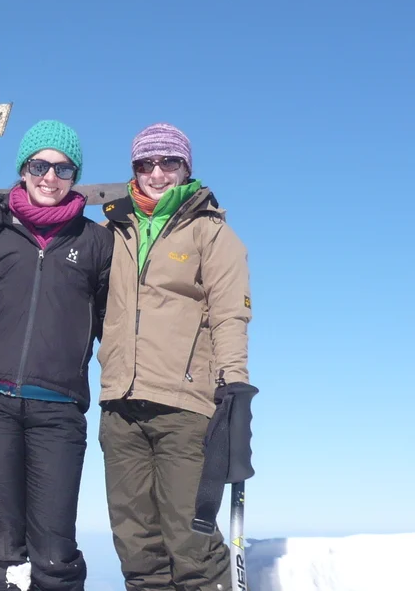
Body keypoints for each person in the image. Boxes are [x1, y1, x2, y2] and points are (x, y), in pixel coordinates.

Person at [0, 119, 112, 591]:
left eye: (62, 169)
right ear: (23, 170)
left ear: (75, 176)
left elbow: (109, 319)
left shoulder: (95, 242)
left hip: (59, 410)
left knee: (54, 550)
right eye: (39, 165)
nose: (49, 177)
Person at [97, 123, 251, 591]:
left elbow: (230, 314)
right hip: (120, 406)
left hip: (185, 406)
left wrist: (234, 387)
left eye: (169, 162)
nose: (157, 173)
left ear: (187, 168)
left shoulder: (211, 232)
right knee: (136, 547)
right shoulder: (112, 230)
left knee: (192, 544)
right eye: (146, 163)